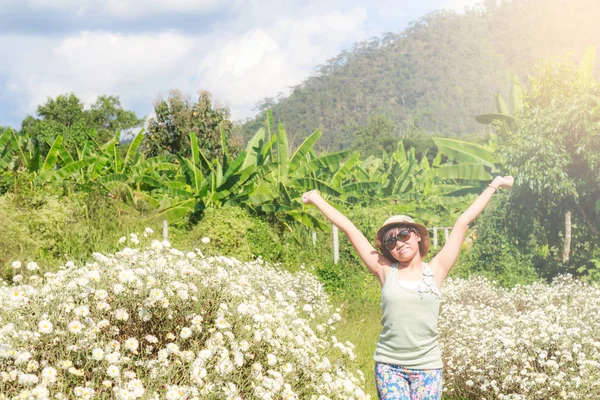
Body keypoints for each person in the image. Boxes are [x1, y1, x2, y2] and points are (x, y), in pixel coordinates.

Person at [301, 175, 514, 400]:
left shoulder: (436, 270)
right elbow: (351, 229)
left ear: (417, 237)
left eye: (403, 235)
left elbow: (462, 222)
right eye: (390, 242)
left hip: (428, 368)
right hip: (390, 367)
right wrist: (316, 199)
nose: (399, 243)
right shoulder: (384, 270)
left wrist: (495, 184)